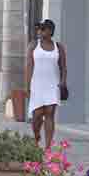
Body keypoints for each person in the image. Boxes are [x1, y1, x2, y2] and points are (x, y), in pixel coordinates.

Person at [26, 19, 67, 150]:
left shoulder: (58, 47)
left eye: (42, 29)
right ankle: (36, 135)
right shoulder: (33, 45)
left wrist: (63, 82)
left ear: (50, 31)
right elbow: (28, 67)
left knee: (50, 114)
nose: (39, 31)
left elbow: (63, 67)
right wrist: (27, 86)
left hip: (53, 84)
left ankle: (48, 147)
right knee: (37, 114)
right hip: (37, 84)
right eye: (38, 29)